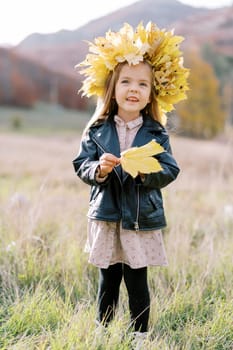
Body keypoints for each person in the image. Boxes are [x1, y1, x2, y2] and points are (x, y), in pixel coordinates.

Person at [72, 22, 189, 336]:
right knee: (108, 280)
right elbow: (81, 164)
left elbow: (170, 170)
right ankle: (103, 331)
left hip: (139, 219)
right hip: (108, 217)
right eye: (126, 81)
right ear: (112, 87)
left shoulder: (155, 132)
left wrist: (147, 171)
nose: (134, 89)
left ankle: (140, 335)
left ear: (152, 93)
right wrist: (99, 169)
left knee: (137, 280)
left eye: (142, 84)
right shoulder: (97, 130)